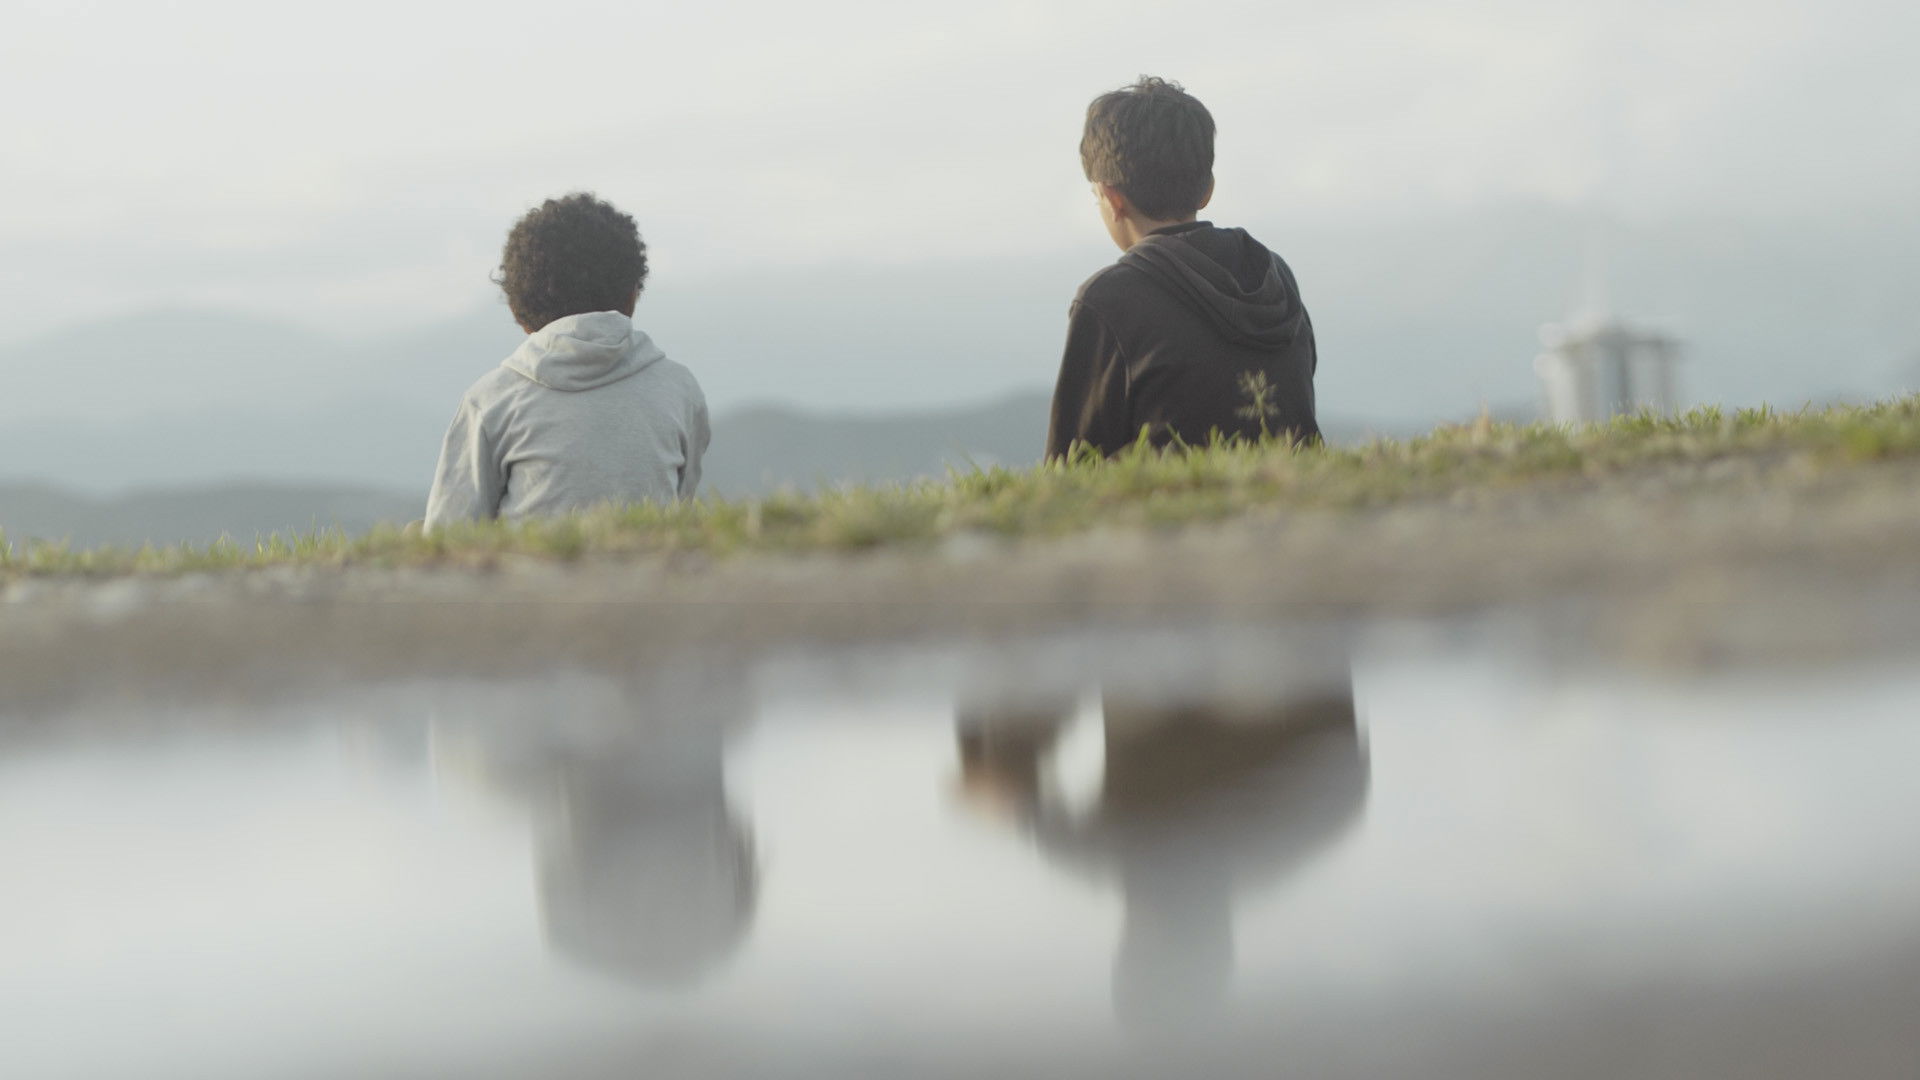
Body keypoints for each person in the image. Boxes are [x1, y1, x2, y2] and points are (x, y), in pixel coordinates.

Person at [1048, 77, 1320, 461]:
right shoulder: (1272, 274)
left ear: (1112, 198)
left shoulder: (1109, 299)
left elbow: (1073, 464)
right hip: (1297, 487)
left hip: (1170, 498)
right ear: (1208, 189)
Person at [425, 192, 710, 530]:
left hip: (527, 566)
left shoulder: (491, 401)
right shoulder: (679, 389)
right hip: (653, 562)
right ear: (632, 295)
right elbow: (681, 504)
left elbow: (449, 534)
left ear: (518, 313)